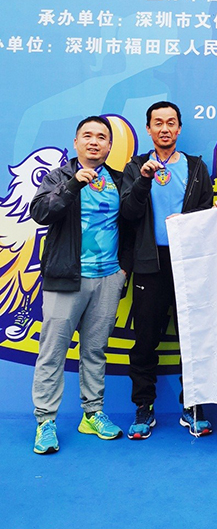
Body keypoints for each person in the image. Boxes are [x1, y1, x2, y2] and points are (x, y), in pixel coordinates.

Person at [30, 116, 127, 454]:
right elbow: (41, 212)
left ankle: (92, 413)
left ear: (110, 145)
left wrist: (123, 270)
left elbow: (133, 222)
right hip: (66, 277)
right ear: (76, 142)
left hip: (108, 277)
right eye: (87, 135)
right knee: (52, 351)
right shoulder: (58, 177)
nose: (94, 142)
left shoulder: (119, 179)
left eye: (101, 137)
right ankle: (45, 421)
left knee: (95, 350)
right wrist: (73, 185)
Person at [121, 101, 213, 440]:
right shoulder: (135, 167)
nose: (165, 128)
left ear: (179, 128)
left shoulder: (196, 167)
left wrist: (187, 221)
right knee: (146, 339)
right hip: (150, 261)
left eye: (171, 122)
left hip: (189, 262)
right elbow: (128, 213)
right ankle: (143, 406)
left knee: (194, 337)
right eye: (158, 122)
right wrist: (143, 180)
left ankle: (193, 406)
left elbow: (206, 212)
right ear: (148, 129)